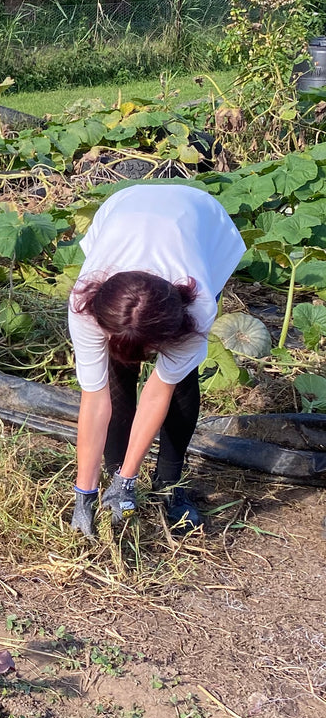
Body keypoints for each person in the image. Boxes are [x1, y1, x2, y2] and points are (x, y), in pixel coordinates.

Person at [68, 182, 244, 536]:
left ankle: (167, 485)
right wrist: (83, 493)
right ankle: (109, 481)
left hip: (201, 223)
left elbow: (157, 392)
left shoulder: (198, 304)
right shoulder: (84, 304)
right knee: (117, 373)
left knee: (179, 378)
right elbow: (94, 398)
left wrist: (128, 480)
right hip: (124, 209)